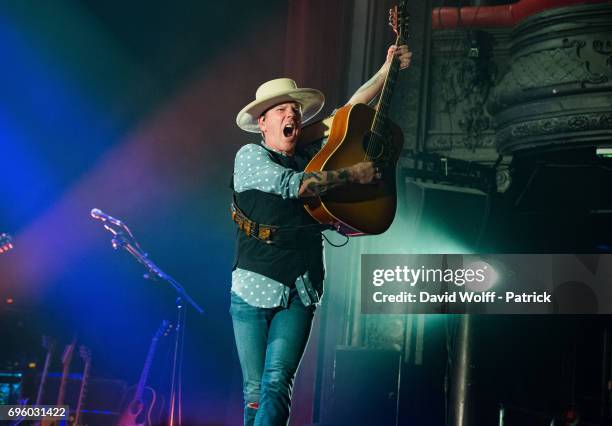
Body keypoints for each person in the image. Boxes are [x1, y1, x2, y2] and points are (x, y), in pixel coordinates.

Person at [230, 44, 411, 426]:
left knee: (277, 383)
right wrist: (351, 175)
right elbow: (294, 185)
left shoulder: (310, 149)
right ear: (263, 123)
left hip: (301, 284)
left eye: (293, 109)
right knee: (254, 393)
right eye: (280, 110)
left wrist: (387, 68)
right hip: (253, 285)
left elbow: (350, 111)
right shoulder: (249, 156)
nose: (290, 113)